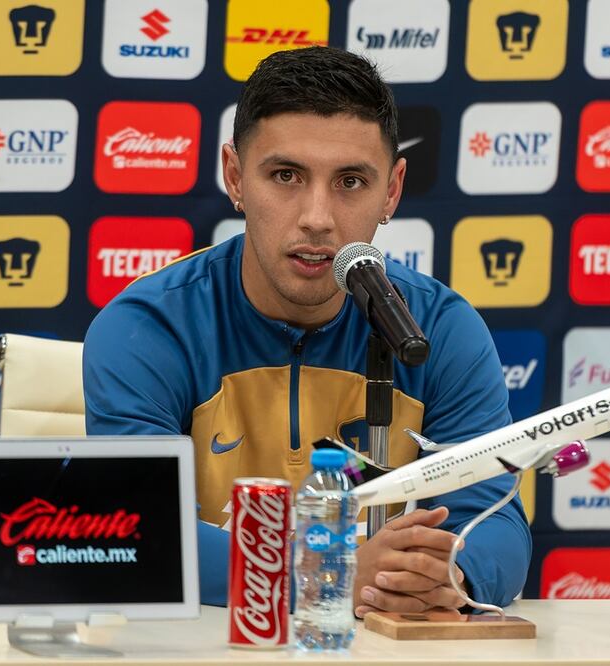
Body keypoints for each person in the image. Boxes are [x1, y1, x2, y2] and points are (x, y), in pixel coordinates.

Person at [84, 46, 530, 617]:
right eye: (285, 176)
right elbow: (137, 528)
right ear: (234, 177)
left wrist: (445, 573)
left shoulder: (440, 329)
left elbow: (496, 521)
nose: (317, 217)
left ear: (391, 191)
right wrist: (328, 571)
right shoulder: (147, 327)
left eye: (350, 181)